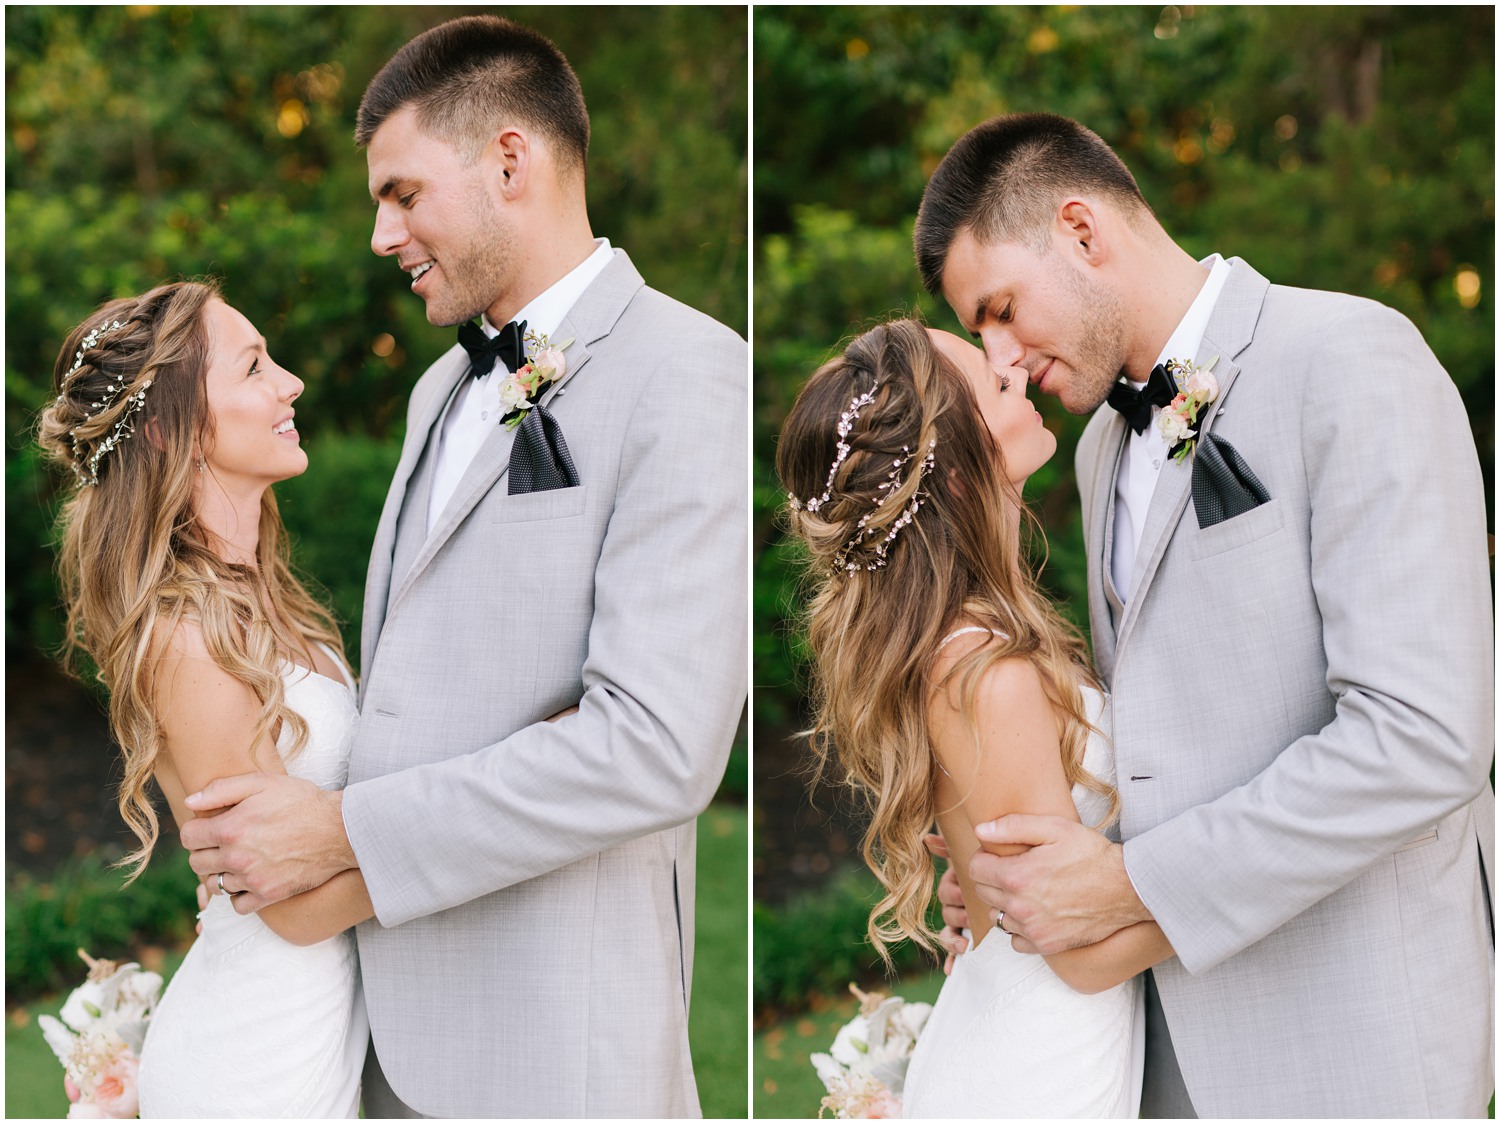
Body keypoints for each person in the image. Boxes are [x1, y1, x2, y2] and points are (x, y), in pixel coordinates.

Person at [175, 16, 748, 1118]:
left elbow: (656, 746)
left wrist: (343, 830)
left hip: (553, 1046)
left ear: (510, 161)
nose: (382, 233)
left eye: (402, 193)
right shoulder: (437, 392)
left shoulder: (688, 372)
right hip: (372, 1030)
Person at [914, 112, 1493, 1118]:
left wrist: (1132, 882)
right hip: (1166, 1051)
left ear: (1083, 229)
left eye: (1002, 308)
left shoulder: (1351, 358)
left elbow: (1425, 734)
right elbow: (1165, 736)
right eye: (978, 335)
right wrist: (1014, 860)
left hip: (1355, 1038)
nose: (1002, 357)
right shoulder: (1097, 450)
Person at [778, 318, 1162, 1117]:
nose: (1014, 371)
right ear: (956, 476)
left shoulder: (963, 642)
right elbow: (1079, 955)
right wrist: (1253, 892)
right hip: (1043, 1063)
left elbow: (1002, 891)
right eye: (993, 384)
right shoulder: (983, 667)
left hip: (1014, 1019)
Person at [37, 280, 370, 1116]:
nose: (289, 383)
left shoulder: (271, 597)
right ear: (171, 429)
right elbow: (291, 912)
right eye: (255, 366)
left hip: (316, 1033)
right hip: (258, 1061)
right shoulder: (182, 636)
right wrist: (478, 845)